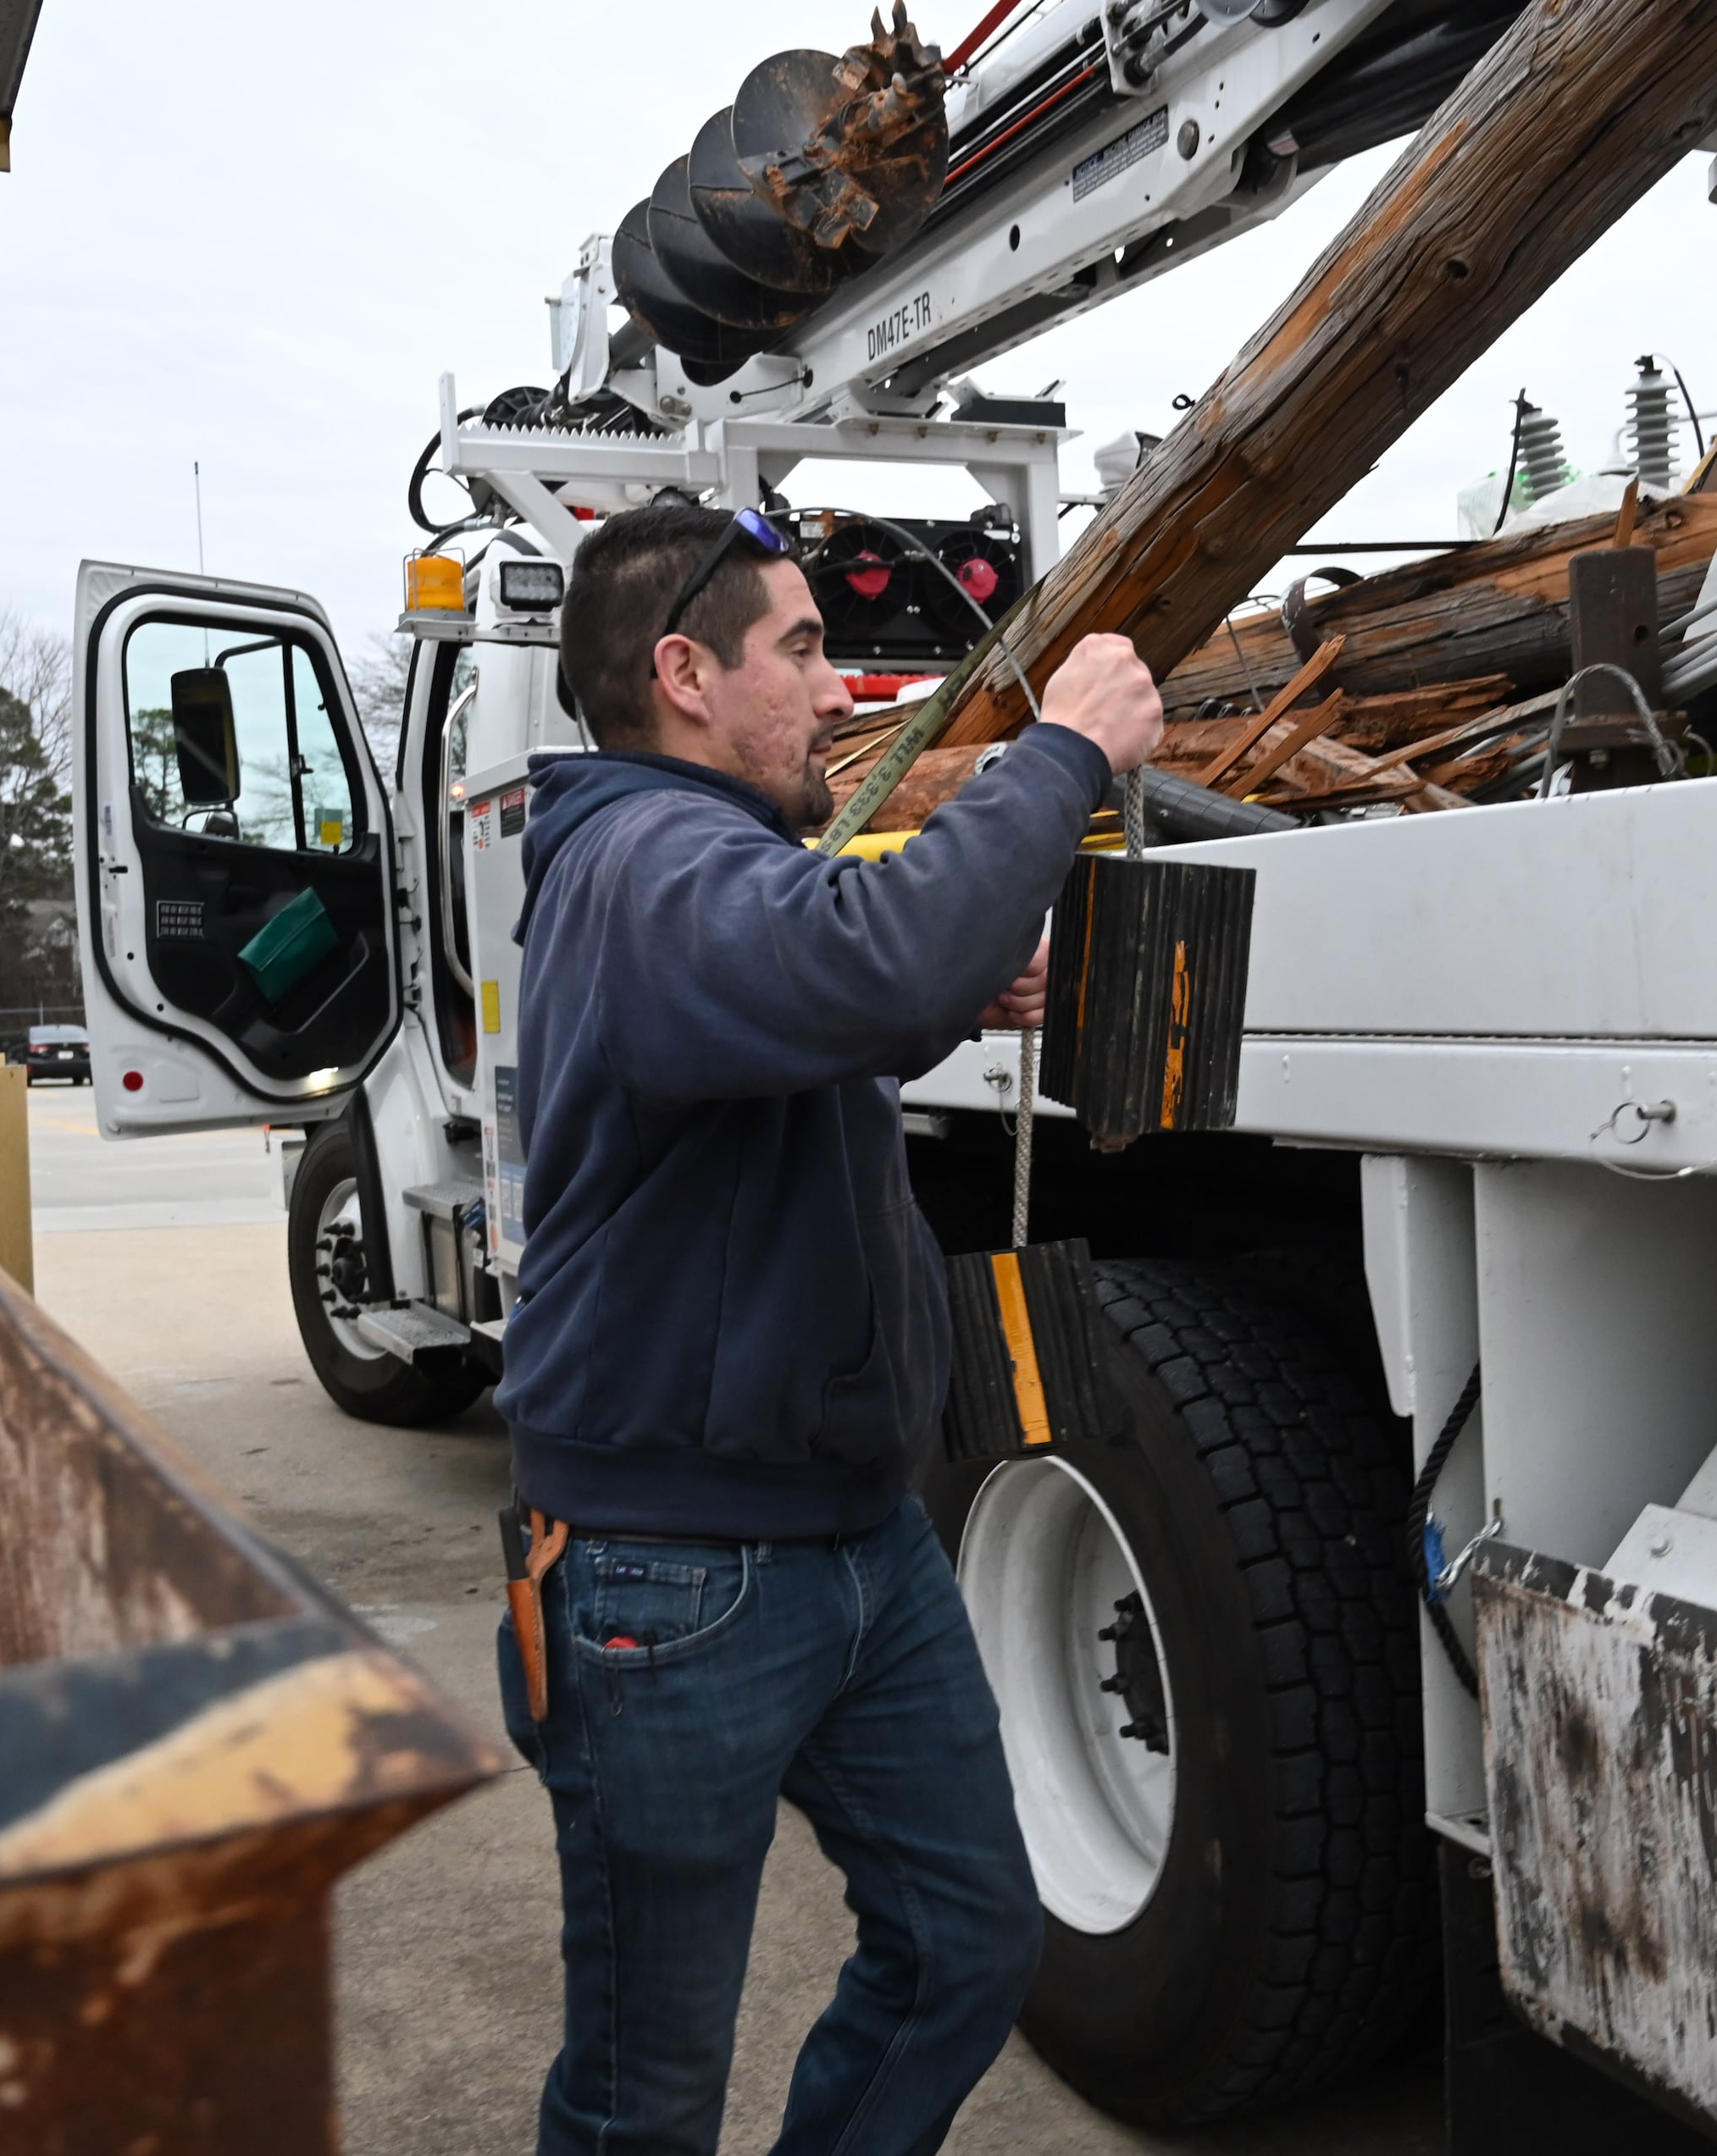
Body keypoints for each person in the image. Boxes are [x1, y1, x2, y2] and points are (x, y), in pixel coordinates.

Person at [492, 499, 1167, 2156]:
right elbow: (847, 965)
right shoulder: (640, 863)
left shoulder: (708, 864)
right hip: (674, 1575)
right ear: (684, 675)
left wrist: (939, 986)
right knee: (646, 2086)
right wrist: (1059, 755)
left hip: (861, 1546)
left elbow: (817, 1003)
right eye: (799, 647)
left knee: (965, 1944)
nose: (836, 678)